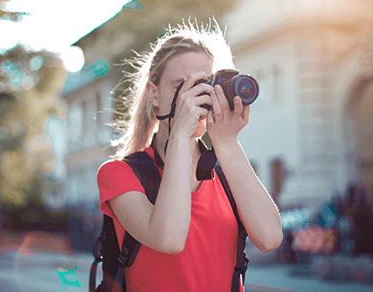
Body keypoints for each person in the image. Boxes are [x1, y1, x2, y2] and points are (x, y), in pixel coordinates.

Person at [97, 20, 283, 292]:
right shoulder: (119, 175)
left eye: (203, 85)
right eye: (181, 86)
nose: (193, 97)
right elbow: (169, 239)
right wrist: (181, 135)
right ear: (154, 94)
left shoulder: (226, 171)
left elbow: (270, 238)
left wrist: (226, 143)